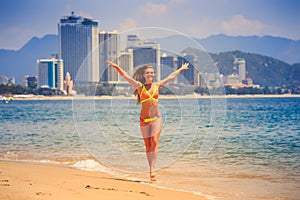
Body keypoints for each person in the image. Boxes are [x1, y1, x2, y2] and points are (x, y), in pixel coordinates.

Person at [106, 61, 189, 181]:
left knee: (154, 141)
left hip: (156, 119)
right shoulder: (140, 87)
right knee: (148, 145)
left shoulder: (157, 85)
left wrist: (180, 69)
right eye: (148, 73)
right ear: (144, 75)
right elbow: (126, 76)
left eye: (152, 73)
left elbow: (170, 77)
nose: (151, 74)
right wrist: (117, 67)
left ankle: (152, 170)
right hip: (144, 120)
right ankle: (151, 167)